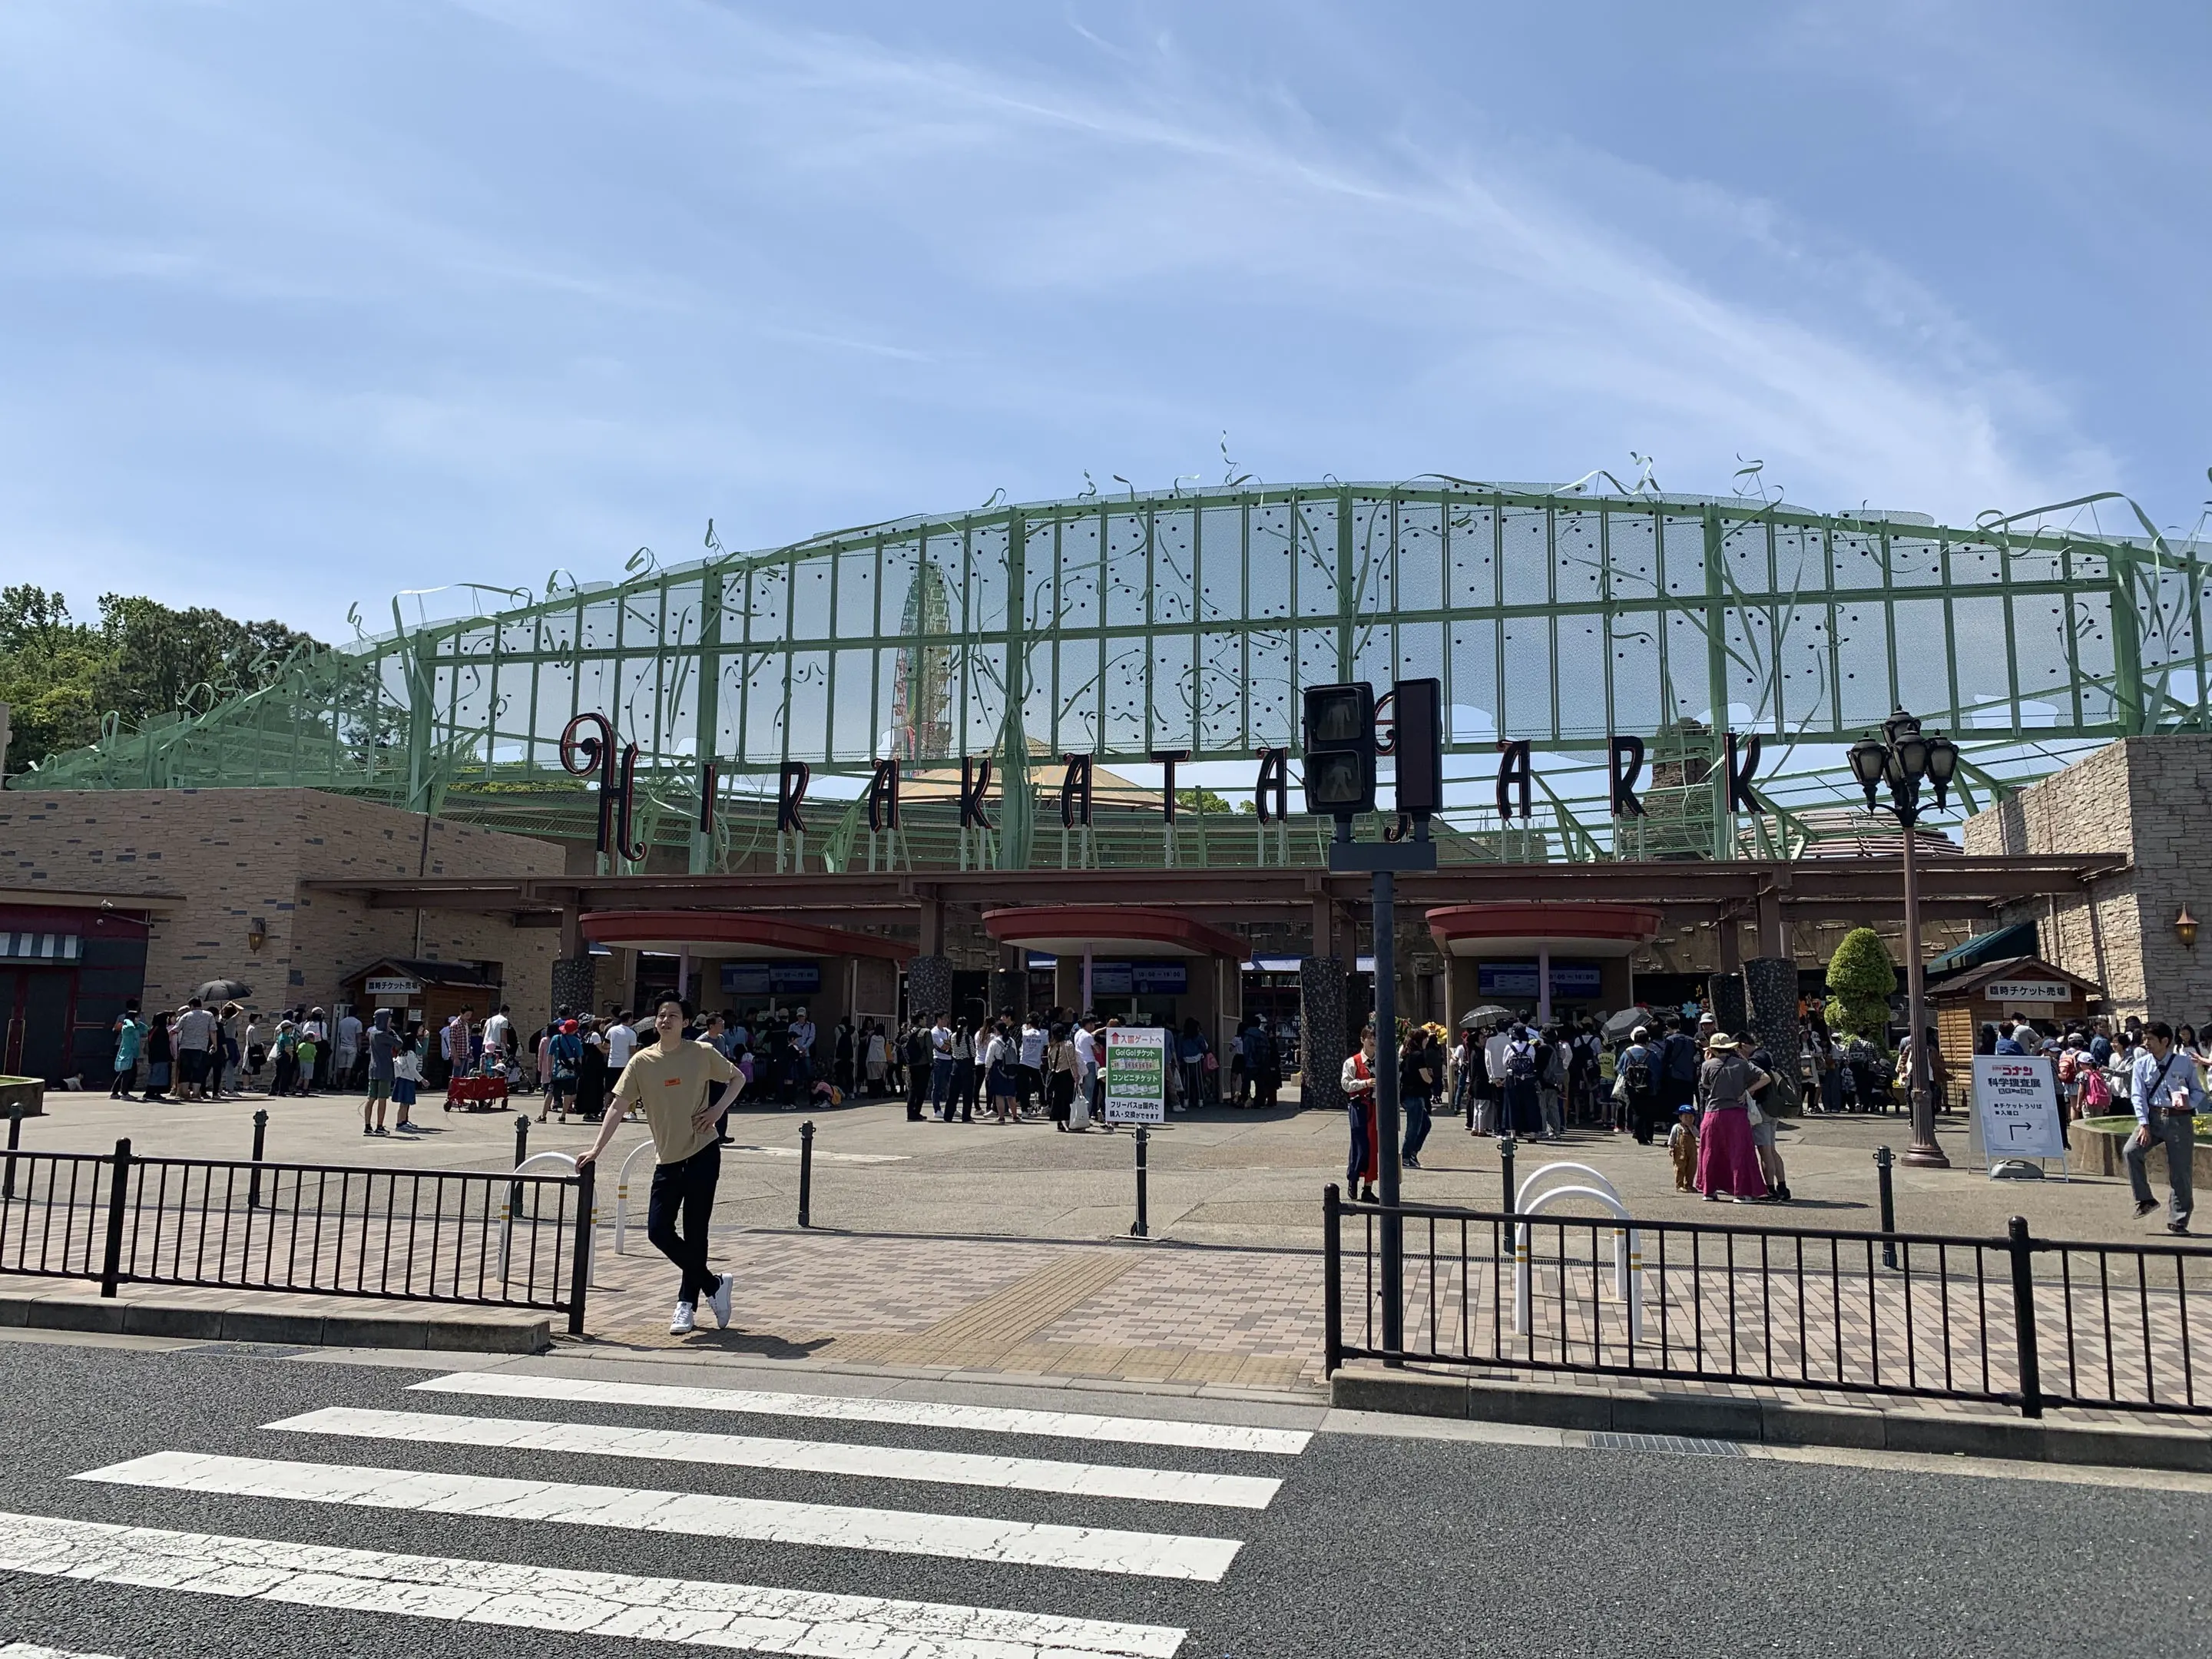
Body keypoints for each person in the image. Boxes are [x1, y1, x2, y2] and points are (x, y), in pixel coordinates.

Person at [578, 994, 743, 1336]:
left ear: (685, 1022)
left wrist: (717, 1111)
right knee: (658, 1230)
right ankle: (714, 1286)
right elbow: (617, 1107)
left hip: (702, 1153)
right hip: (667, 1158)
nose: (666, 1020)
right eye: (661, 1015)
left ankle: (686, 1303)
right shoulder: (642, 1062)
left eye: (674, 1015)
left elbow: (737, 1078)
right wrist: (596, 1149)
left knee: (696, 1231)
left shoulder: (701, 1053)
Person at [2128, 1020, 2200, 1235]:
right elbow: (2137, 1095)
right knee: (2131, 1151)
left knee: (2181, 1171)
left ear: (2165, 1041)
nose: (2146, 1043)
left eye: (2150, 1039)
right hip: (2153, 1117)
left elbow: (2198, 1091)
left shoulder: (2183, 1063)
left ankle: (2179, 1219)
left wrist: (2190, 1103)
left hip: (2179, 1120)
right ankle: (2145, 1199)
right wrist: (2143, 1123)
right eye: (2145, 1039)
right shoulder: (2142, 1064)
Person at [1695, 1034, 1769, 1202]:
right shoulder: (1742, 1064)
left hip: (1712, 1113)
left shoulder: (1707, 1065)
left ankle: (1709, 1191)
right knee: (1739, 1152)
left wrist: (1708, 1059)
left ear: (1712, 1049)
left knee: (1710, 1152)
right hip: (1736, 1114)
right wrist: (1747, 1091)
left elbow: (1705, 1085)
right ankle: (1740, 1192)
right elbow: (1765, 1078)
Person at [1342, 1025, 1381, 1202]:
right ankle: (1353, 1179)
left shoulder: (1383, 1061)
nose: (1373, 1041)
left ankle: (1368, 1187)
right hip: (1359, 1106)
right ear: (1362, 1040)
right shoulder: (1352, 1062)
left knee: (1374, 1147)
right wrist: (1365, 1084)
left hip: (1377, 1107)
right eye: (1369, 1038)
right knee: (1360, 1144)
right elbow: (1346, 1085)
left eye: (1375, 1038)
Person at [1399, 1028, 1435, 1169]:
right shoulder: (1418, 1055)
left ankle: (1412, 1153)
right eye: (1425, 1038)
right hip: (1414, 1095)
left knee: (1425, 1124)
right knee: (1414, 1127)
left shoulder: (1407, 1054)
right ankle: (1406, 1156)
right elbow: (1425, 1077)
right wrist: (1431, 1078)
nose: (1427, 1041)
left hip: (1409, 1094)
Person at [1621, 1025, 1661, 1144]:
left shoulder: (1626, 1053)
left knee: (1636, 1111)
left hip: (1631, 1087)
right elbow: (1657, 1071)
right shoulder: (1651, 1054)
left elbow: (1621, 1070)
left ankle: (1638, 1135)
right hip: (1649, 1087)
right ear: (1647, 1040)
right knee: (1648, 1112)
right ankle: (1648, 1136)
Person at [1499, 1024, 1541, 1137]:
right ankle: (1532, 1134)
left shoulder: (1509, 1047)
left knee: (1512, 1105)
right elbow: (1533, 1062)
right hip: (1528, 1079)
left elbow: (1505, 1063)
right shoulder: (1530, 1047)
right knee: (1530, 1105)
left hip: (1513, 1079)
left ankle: (1513, 1133)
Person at [173, 997, 215, 1102]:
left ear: (191, 1006)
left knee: (185, 1071)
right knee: (198, 1070)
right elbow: (213, 1031)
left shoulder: (186, 1016)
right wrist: (215, 1045)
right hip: (201, 1048)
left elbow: (176, 1030)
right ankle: (196, 1094)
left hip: (185, 1047)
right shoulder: (209, 1015)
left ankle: (184, 1093)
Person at [363, 1009, 396, 1136]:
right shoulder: (383, 1034)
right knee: (382, 1099)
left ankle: (367, 1126)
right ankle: (379, 1126)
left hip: (373, 1069)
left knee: (371, 1098)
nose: (390, 1022)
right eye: (388, 1019)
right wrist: (392, 1032)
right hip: (384, 1070)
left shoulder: (372, 1032)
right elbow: (399, 1043)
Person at [542, 1019, 582, 1122]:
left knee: (550, 1093)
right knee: (568, 1094)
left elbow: (550, 1054)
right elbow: (579, 1058)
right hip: (571, 1073)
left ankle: (543, 1116)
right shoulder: (576, 1041)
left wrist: (549, 1069)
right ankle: (563, 1116)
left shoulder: (556, 1038)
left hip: (557, 1072)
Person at [985, 1018, 1018, 1124]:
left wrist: (987, 1072)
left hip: (998, 1068)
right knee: (1011, 1094)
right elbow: (1015, 1055)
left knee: (999, 1094)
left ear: (996, 1030)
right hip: (1010, 1068)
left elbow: (988, 1059)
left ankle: (1001, 1117)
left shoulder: (994, 1043)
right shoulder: (1011, 1041)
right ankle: (1015, 1116)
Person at [111, 1007, 146, 1098]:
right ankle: (124, 1093)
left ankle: (115, 1092)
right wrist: (128, 1020)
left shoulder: (136, 1028)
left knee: (124, 1074)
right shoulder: (127, 1028)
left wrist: (138, 1023)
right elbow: (130, 1026)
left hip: (133, 1054)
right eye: (136, 1017)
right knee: (127, 1074)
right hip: (127, 1054)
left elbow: (146, 1028)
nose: (138, 1019)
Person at [1667, 1102, 1700, 1192]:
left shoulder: (1693, 1128)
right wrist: (1671, 1147)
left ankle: (1689, 1184)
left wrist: (1691, 1127)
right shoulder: (1677, 1127)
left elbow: (1698, 1135)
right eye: (1685, 1117)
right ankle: (1679, 1185)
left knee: (1692, 1167)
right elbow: (1672, 1138)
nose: (1688, 1119)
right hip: (1680, 1150)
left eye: (1691, 1117)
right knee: (1680, 1167)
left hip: (1692, 1150)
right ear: (1680, 1117)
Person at [334, 1008, 363, 1092]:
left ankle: (338, 1084)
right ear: (356, 1013)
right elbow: (358, 1037)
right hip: (352, 1047)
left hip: (343, 1046)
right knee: (349, 1067)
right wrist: (359, 1048)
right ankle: (345, 1085)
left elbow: (339, 1035)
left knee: (340, 1066)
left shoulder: (342, 1022)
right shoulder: (357, 1023)